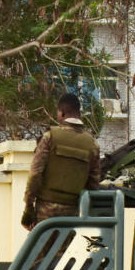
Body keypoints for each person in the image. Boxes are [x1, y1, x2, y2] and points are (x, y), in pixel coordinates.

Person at [22, 92, 101, 230]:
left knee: (43, 251)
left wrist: (28, 208)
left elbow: (35, 174)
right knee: (65, 251)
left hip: (45, 214)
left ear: (62, 113)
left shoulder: (50, 137)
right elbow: (93, 184)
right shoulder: (92, 144)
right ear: (79, 114)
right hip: (72, 215)